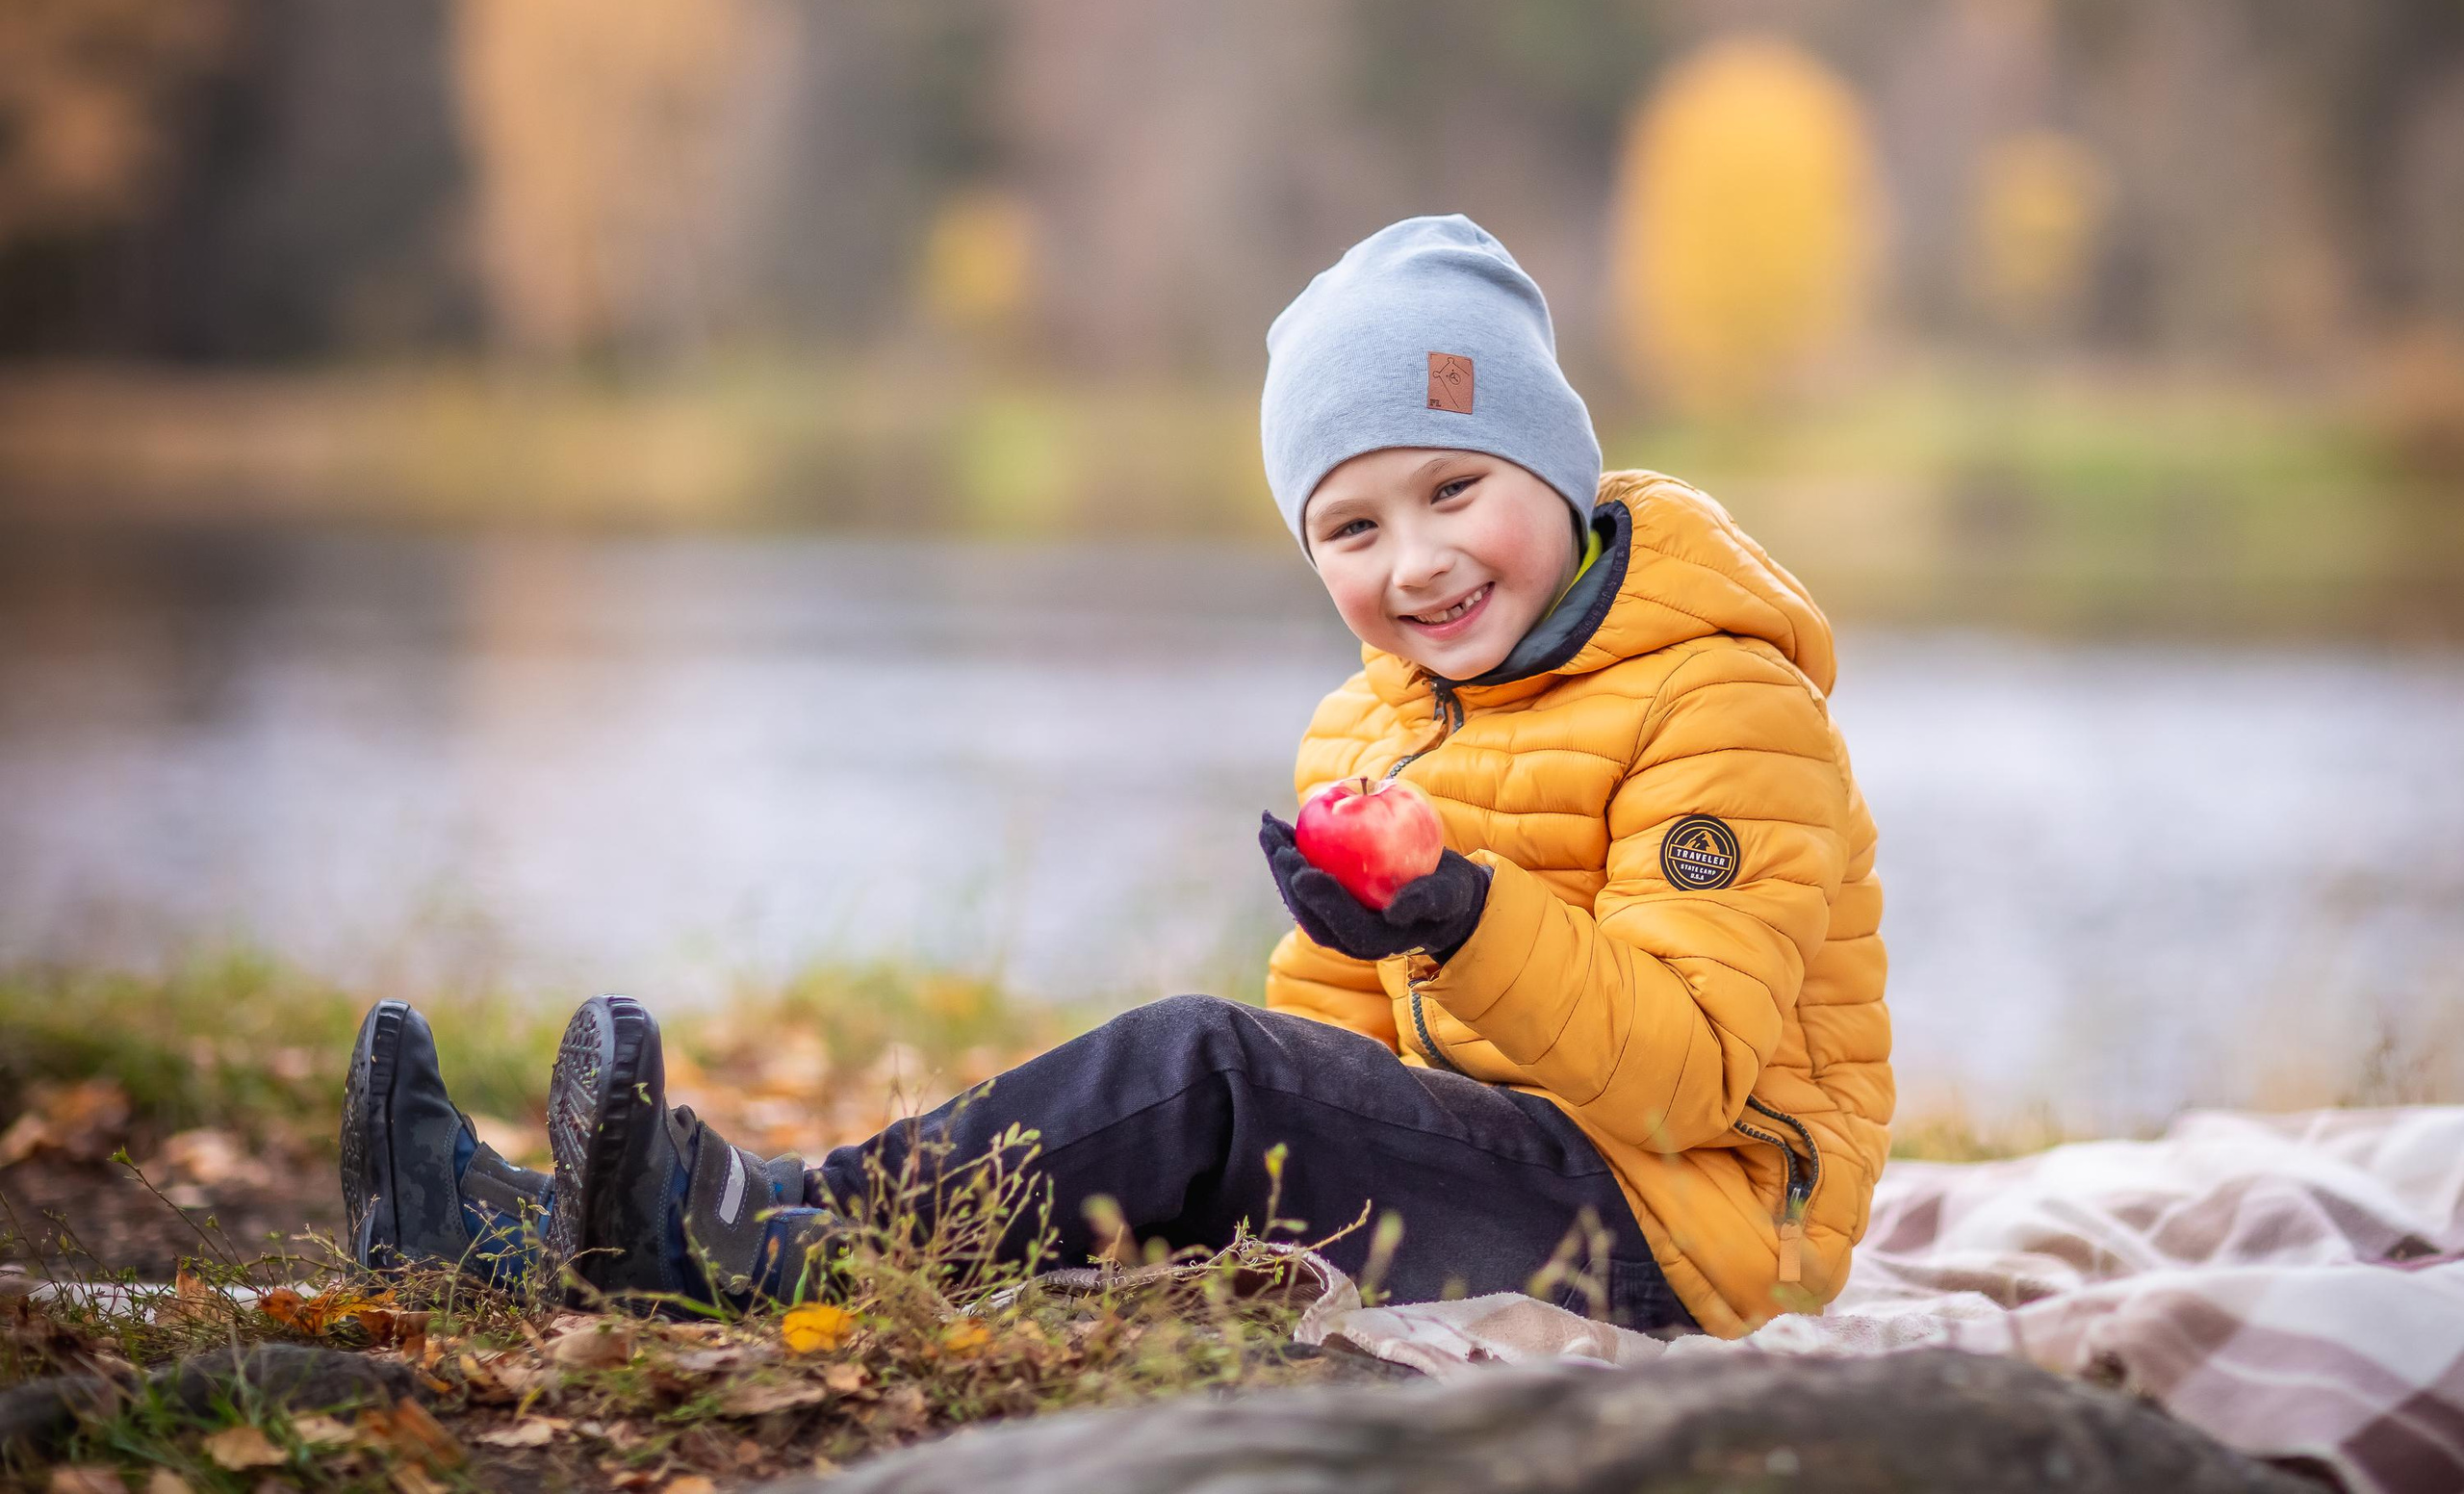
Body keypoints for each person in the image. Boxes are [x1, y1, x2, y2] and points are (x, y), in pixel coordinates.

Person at [340, 214, 1890, 1338]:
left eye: (1455, 489)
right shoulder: (1372, 726)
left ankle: (736, 1228)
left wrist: (1455, 914)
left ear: (1552, 471)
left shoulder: (1723, 702)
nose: (1416, 562)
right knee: (1225, 1092)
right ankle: (536, 1237)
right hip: (1503, 1173)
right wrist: (1375, 968)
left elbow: (1689, 1081)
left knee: (1205, 1073)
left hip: (1683, 1236)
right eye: (1350, 528)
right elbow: (1337, 1075)